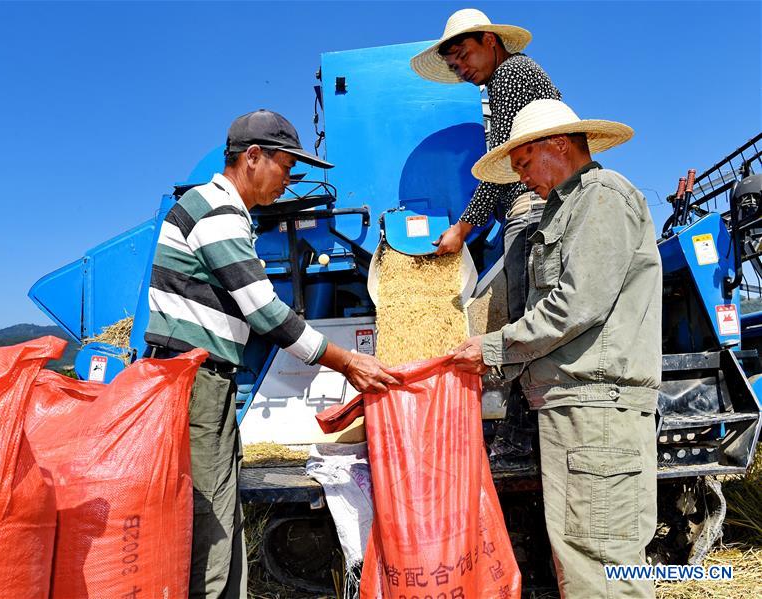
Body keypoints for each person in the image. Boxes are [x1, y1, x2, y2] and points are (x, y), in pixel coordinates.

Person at [143, 109, 398, 598]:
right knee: (209, 524)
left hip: (205, 383)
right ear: (253, 157)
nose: (289, 180)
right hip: (194, 384)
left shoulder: (226, 213)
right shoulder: (217, 212)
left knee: (221, 509)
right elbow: (265, 312)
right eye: (286, 166)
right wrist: (350, 362)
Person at [452, 99, 661, 598]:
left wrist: (493, 347)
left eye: (524, 164)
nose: (522, 179)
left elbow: (574, 305)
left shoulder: (602, 198)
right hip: (578, 410)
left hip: (596, 410)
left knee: (599, 565)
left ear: (559, 145)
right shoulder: (567, 207)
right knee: (583, 557)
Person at [411, 8, 562, 464]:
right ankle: (528, 429)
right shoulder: (504, 83)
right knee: (528, 314)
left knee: (526, 318)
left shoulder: (511, 74)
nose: (461, 67)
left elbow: (503, 167)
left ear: (491, 42)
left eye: (464, 54)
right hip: (530, 205)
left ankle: (524, 434)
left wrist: (462, 227)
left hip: (532, 208)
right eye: (453, 64)